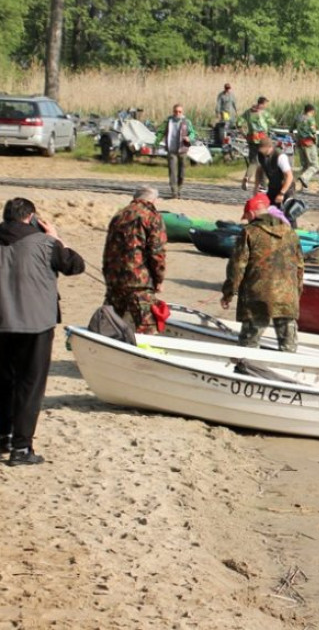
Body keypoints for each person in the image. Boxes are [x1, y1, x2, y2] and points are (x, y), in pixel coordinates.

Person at [0, 197, 85, 466]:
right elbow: (75, 265)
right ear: (32, 217)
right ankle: (21, 448)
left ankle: (4, 436)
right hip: (35, 324)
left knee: (4, 382)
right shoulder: (47, 244)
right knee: (30, 385)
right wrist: (58, 237)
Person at [220, 194, 303, 353]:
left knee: (249, 346)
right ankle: (288, 370)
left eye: (247, 217)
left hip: (257, 296)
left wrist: (228, 293)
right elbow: (299, 266)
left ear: (251, 214)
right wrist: (297, 292)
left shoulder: (249, 232)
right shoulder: (290, 232)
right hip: (287, 295)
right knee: (289, 347)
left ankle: (245, 369)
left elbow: (237, 267)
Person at [101, 186, 167, 333]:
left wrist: (108, 275)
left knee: (110, 322)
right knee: (148, 326)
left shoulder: (119, 214)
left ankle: (101, 348)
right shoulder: (152, 216)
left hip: (114, 279)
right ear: (153, 200)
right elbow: (157, 253)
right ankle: (144, 355)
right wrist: (159, 279)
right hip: (139, 282)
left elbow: (108, 248)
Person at [154, 103, 196, 199]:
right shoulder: (168, 121)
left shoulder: (186, 121)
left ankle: (179, 188)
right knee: (172, 171)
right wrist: (157, 141)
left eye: (179, 111)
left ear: (182, 112)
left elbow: (193, 133)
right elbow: (161, 132)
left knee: (181, 172)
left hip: (182, 150)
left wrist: (189, 138)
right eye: (176, 111)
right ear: (173, 112)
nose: (177, 113)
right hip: (171, 150)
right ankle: (174, 192)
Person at [253, 136, 295, 210]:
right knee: (270, 210)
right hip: (273, 186)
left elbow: (289, 176)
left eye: (262, 149)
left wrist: (282, 193)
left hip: (286, 188)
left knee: (288, 214)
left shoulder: (280, 157)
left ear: (269, 147)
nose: (260, 151)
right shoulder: (261, 155)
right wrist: (256, 186)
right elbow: (259, 170)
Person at [241, 96, 272, 190]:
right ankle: (263, 185)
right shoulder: (264, 113)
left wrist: (244, 134)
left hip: (251, 139)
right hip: (263, 139)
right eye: (266, 103)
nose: (266, 105)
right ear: (263, 103)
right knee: (264, 162)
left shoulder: (247, 112)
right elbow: (273, 122)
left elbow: (238, 123)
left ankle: (247, 177)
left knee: (253, 161)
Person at [290, 103, 319, 190]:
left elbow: (291, 130)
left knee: (305, 166)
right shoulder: (311, 119)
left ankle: (292, 180)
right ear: (311, 111)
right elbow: (313, 132)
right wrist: (316, 141)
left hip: (300, 143)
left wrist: (295, 138)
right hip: (309, 144)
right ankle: (304, 178)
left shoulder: (297, 118)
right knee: (314, 165)